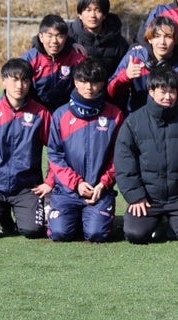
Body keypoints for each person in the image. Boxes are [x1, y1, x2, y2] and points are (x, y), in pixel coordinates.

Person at [115, 68, 178, 244]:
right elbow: (125, 163)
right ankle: (158, 222)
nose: (168, 97)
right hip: (148, 199)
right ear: (151, 91)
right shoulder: (133, 122)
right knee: (135, 234)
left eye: (172, 92)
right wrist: (136, 196)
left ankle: (171, 222)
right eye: (163, 92)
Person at [47, 58, 124, 242]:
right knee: (60, 234)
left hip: (99, 191)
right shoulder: (60, 115)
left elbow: (119, 156)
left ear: (102, 84)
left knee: (97, 234)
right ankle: (61, 213)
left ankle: (93, 217)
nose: (89, 87)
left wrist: (103, 184)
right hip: (67, 191)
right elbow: (55, 155)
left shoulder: (115, 115)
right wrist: (77, 184)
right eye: (83, 81)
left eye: (94, 82)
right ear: (75, 82)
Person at [0, 58, 52, 238]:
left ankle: (15, 210)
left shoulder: (40, 113)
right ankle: (1, 212)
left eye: (25, 80)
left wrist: (50, 182)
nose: (19, 85)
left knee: (33, 231)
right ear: (4, 80)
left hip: (27, 187)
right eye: (14, 79)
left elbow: (57, 150)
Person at [107, 16, 178, 122]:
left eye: (168, 36)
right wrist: (125, 76)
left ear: (176, 40)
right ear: (149, 39)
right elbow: (112, 92)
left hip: (172, 123)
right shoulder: (134, 58)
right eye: (157, 36)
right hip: (137, 122)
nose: (162, 42)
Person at [21, 14, 86, 112]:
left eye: (60, 36)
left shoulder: (77, 59)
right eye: (49, 36)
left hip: (68, 111)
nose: (54, 41)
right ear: (41, 37)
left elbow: (85, 87)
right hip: (36, 111)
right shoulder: (29, 59)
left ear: (66, 38)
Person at [68, 0, 129, 77]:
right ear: (80, 14)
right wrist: (69, 45)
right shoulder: (68, 34)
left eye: (98, 10)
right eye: (88, 10)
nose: (92, 15)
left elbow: (123, 71)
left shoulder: (117, 41)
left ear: (104, 15)